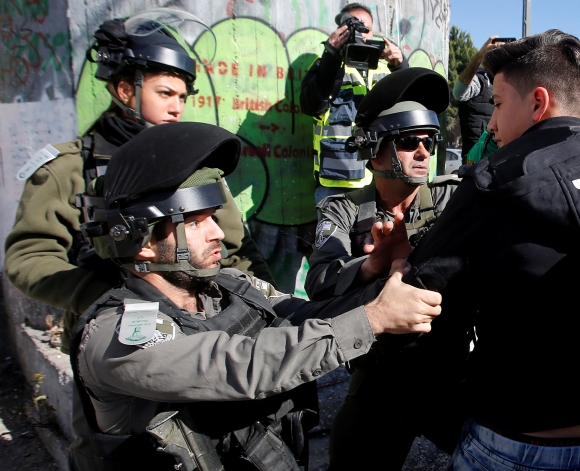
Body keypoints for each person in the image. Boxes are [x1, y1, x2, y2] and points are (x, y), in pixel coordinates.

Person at [70, 121, 443, 470]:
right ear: (144, 244)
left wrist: (381, 280)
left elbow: (306, 314)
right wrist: (373, 319)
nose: (218, 233)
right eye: (197, 222)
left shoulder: (228, 284)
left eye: (213, 217)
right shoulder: (117, 337)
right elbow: (241, 365)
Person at [404, 30, 580, 470]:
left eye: (497, 104)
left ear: (538, 103)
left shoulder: (489, 186)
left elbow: (421, 317)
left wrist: (447, 419)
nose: (492, 124)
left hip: (512, 446)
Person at [4, 10, 275, 357]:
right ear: (124, 90)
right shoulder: (69, 168)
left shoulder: (194, 166)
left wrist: (267, 311)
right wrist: (103, 297)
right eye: (165, 93)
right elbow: (29, 256)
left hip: (206, 330)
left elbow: (239, 250)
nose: (177, 108)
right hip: (112, 344)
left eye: (182, 97)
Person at [306, 67, 457, 302]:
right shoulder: (343, 211)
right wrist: (371, 266)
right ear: (374, 152)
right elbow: (317, 282)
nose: (423, 153)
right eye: (408, 142)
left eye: (428, 142)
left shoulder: (451, 197)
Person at [300, 3, 408, 204]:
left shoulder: (384, 71)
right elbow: (311, 105)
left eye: (364, 28)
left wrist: (400, 66)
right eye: (352, 27)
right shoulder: (326, 66)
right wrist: (331, 56)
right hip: (335, 187)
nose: (360, 34)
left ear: (373, 32)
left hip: (380, 181)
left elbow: (408, 109)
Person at [452, 35, 499, 163]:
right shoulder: (481, 80)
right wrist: (480, 55)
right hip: (476, 160)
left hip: (502, 157)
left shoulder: (512, 83)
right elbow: (459, 92)